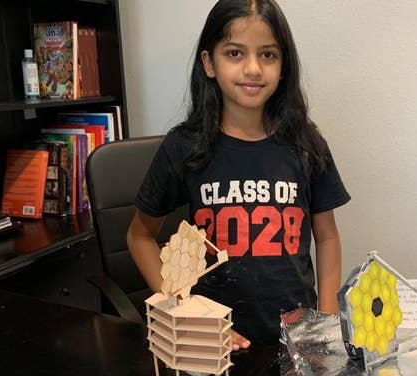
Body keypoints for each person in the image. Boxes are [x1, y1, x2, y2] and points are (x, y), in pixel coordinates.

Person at [127, 0, 350, 351]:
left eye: (268, 55)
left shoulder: (307, 144)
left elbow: (326, 237)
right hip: (214, 342)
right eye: (234, 53)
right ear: (209, 63)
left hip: (295, 342)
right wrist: (184, 312)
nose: (253, 68)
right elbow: (139, 237)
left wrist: (325, 321)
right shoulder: (183, 147)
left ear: (283, 66)